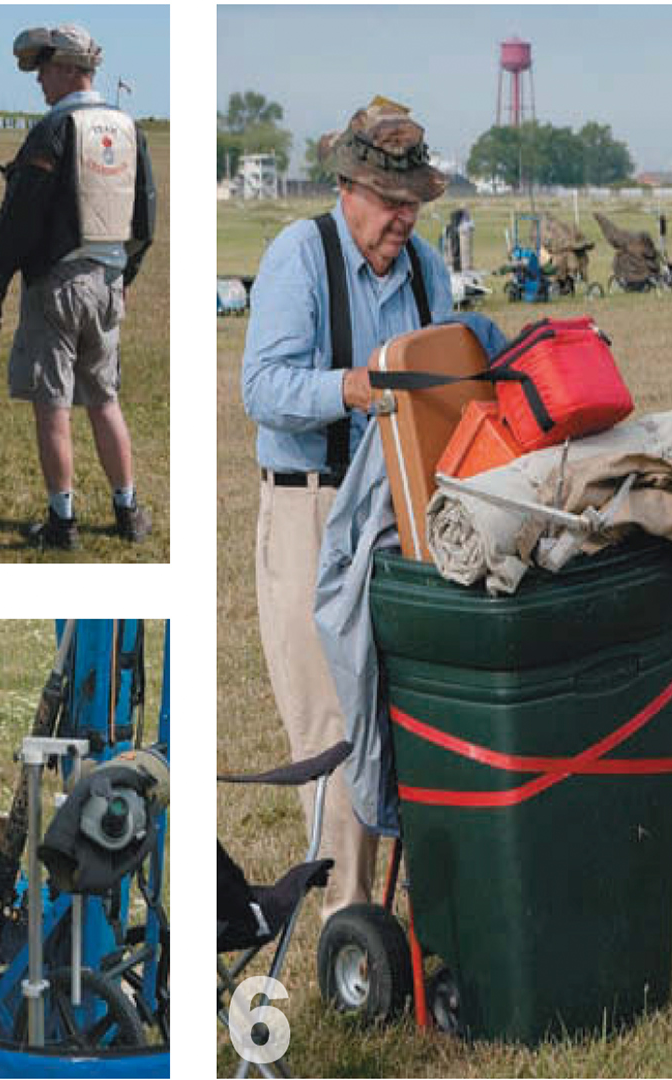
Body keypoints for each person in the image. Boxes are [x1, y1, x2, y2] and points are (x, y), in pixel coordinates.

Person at [240, 95, 454, 920]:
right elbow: (260, 389)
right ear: (348, 189)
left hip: (405, 508)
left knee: (401, 703)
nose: (404, 218)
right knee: (333, 720)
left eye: (413, 203)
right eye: (391, 201)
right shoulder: (301, 257)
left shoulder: (428, 269)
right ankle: (348, 924)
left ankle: (420, 905)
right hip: (312, 508)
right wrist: (349, 389)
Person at [0, 22, 158, 550]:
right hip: (108, 282)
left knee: (52, 403)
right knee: (105, 399)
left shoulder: (53, 130)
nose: (38, 82)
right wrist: (126, 274)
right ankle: (127, 511)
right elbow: (146, 209)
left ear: (64, 69)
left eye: (42, 71)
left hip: (57, 286)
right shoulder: (128, 128)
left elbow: (21, 215)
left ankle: (63, 522)